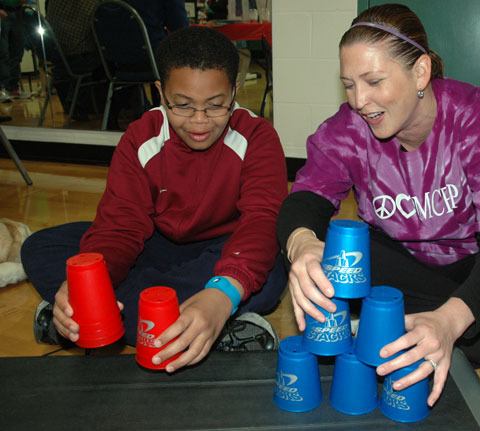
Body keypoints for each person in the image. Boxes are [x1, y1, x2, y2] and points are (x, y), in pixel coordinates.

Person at [276, 3, 480, 407]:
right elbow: (306, 199)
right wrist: (300, 243)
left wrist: (450, 319)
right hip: (402, 267)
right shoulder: (347, 130)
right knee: (315, 250)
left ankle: (426, 329)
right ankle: (478, 330)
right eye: (349, 84)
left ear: (420, 72)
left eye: (374, 81)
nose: (359, 100)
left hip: (477, 260)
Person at [22, 26, 288, 372]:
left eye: (216, 105)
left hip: (223, 250)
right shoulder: (140, 138)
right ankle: (200, 327)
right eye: (182, 105)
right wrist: (85, 283)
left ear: (234, 92)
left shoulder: (258, 137)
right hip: (154, 245)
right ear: (161, 93)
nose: (199, 121)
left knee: (272, 272)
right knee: (41, 247)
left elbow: (262, 220)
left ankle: (106, 319)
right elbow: (120, 227)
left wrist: (222, 293)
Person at [0, 0, 26, 101]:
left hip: (18, 12)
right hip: (2, 10)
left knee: (17, 51)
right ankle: (3, 87)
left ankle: (13, 87)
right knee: (3, 52)